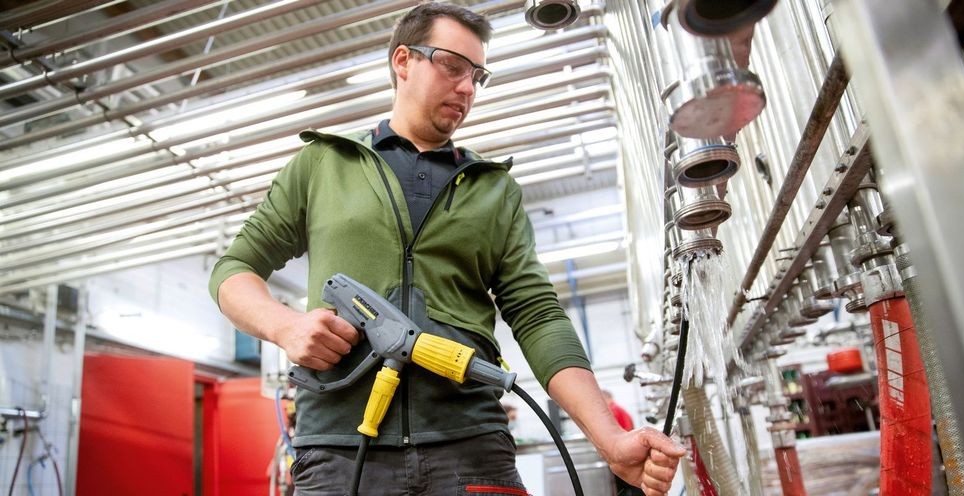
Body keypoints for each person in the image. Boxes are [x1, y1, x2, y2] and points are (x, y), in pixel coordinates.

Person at [208, 3, 685, 495]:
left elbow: (538, 315)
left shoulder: (494, 189)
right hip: (337, 451)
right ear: (403, 61)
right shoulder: (323, 164)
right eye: (453, 66)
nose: (467, 88)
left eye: (477, 75)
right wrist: (284, 325)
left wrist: (609, 440)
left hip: (471, 448)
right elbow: (233, 268)